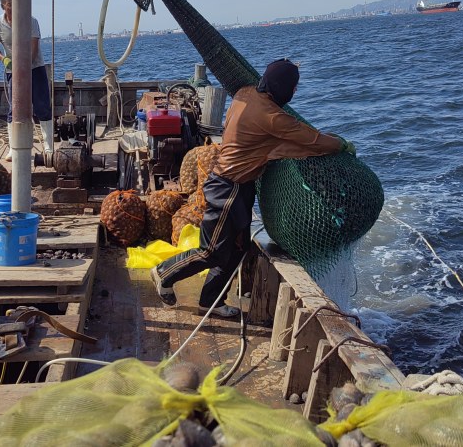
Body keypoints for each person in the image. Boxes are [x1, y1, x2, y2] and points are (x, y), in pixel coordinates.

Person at [151, 59, 355, 318]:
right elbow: (312, 140)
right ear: (283, 87)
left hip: (241, 187)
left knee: (237, 249)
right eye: (293, 88)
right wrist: (341, 145)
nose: (293, 94)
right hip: (228, 188)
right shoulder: (272, 116)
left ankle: (209, 302)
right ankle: (164, 272)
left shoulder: (244, 94)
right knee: (211, 251)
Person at [0, 0, 54, 156]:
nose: (13, 7)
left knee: (42, 106)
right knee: (14, 109)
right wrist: (3, 59)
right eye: (9, 4)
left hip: (35, 68)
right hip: (12, 70)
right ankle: (14, 147)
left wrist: (26, 66)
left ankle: (48, 145)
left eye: (16, 3)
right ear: (3, 6)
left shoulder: (31, 21)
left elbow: (34, 45)